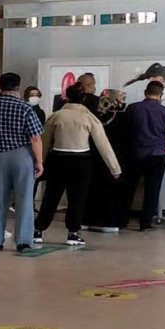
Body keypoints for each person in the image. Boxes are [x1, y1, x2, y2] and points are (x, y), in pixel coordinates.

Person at [35, 84, 122, 246]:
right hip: (81, 161)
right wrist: (114, 168)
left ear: (66, 97)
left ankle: (38, 230)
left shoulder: (56, 116)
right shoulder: (89, 117)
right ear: (83, 98)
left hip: (58, 159)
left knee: (51, 196)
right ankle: (73, 233)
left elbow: (44, 142)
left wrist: (38, 162)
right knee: (77, 199)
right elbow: (103, 144)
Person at [0, 72, 45, 253]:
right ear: (18, 87)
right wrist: (39, 162)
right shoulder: (25, 108)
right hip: (21, 155)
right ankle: (23, 241)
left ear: (0, 86)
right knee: (24, 198)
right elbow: (35, 137)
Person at [124, 81, 165, 231]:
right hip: (157, 154)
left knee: (129, 188)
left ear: (145, 92)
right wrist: (161, 138)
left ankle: (122, 219)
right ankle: (145, 224)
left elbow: (124, 131)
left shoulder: (132, 108)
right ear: (161, 95)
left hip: (135, 154)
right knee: (152, 190)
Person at [85, 89, 132, 233]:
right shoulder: (122, 118)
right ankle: (109, 221)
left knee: (91, 188)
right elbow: (127, 139)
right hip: (115, 158)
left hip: (92, 157)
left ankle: (87, 219)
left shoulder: (91, 115)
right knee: (112, 190)